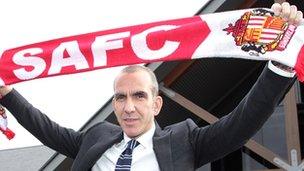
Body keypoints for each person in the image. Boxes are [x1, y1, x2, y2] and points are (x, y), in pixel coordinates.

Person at [0, 2, 303, 171]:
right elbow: (46, 129)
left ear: (156, 104)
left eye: (139, 96)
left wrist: (281, 63)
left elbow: (242, 122)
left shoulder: (185, 141)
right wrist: (6, 93)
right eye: (120, 97)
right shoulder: (95, 138)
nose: (128, 106)